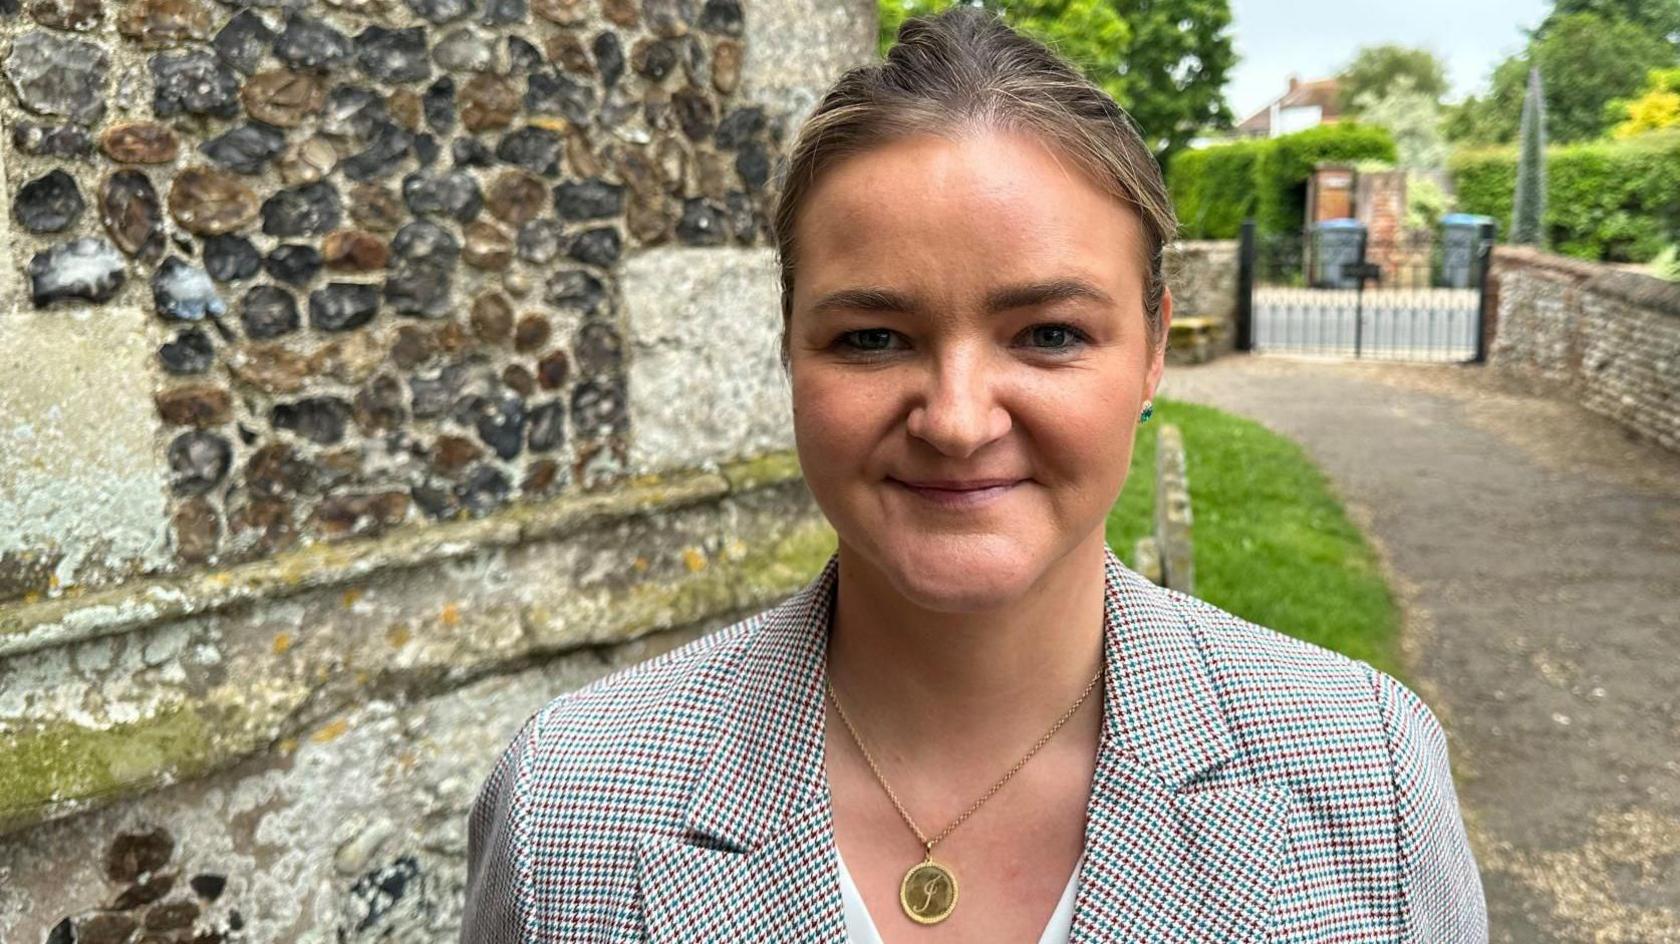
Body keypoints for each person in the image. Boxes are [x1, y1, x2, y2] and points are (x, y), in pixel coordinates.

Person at [460, 7, 1488, 942]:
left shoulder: (1368, 780)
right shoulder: (569, 809)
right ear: (787, 348)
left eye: (1046, 332)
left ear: (1154, 347)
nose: (956, 420)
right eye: (871, 337)